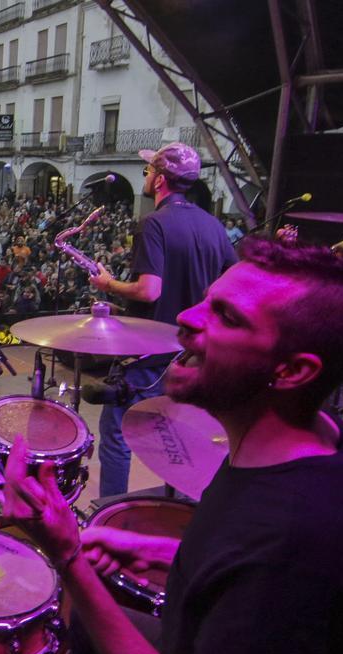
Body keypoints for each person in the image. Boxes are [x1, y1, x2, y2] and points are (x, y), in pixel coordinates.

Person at [0, 237, 343, 654]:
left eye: (226, 316)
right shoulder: (324, 440)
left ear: (292, 371)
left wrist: (68, 556)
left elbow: (266, 568)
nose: (186, 317)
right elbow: (239, 565)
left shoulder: (289, 541)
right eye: (207, 299)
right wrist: (158, 551)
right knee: (88, 629)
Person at [89, 142, 237, 497]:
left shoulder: (154, 224)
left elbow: (149, 291)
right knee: (182, 440)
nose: (146, 177)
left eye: (148, 171)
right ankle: (180, 508)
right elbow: (231, 284)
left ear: (159, 180)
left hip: (151, 356)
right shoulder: (214, 226)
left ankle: (111, 511)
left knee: (117, 434)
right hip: (193, 354)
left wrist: (107, 283)